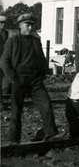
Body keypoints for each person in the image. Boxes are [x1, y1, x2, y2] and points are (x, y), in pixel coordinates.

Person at [0, 14, 62, 144]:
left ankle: (50, 133)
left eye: (31, 25)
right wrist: (13, 78)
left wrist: (41, 74)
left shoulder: (35, 41)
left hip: (35, 80)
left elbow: (41, 59)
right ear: (20, 26)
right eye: (27, 25)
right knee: (16, 111)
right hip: (19, 79)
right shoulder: (12, 41)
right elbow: (4, 61)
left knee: (46, 105)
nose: (29, 28)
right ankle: (14, 140)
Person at [0, 15, 10, 110]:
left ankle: (4, 101)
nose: (2, 25)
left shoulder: (6, 33)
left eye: (3, 23)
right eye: (0, 23)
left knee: (5, 83)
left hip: (5, 61)